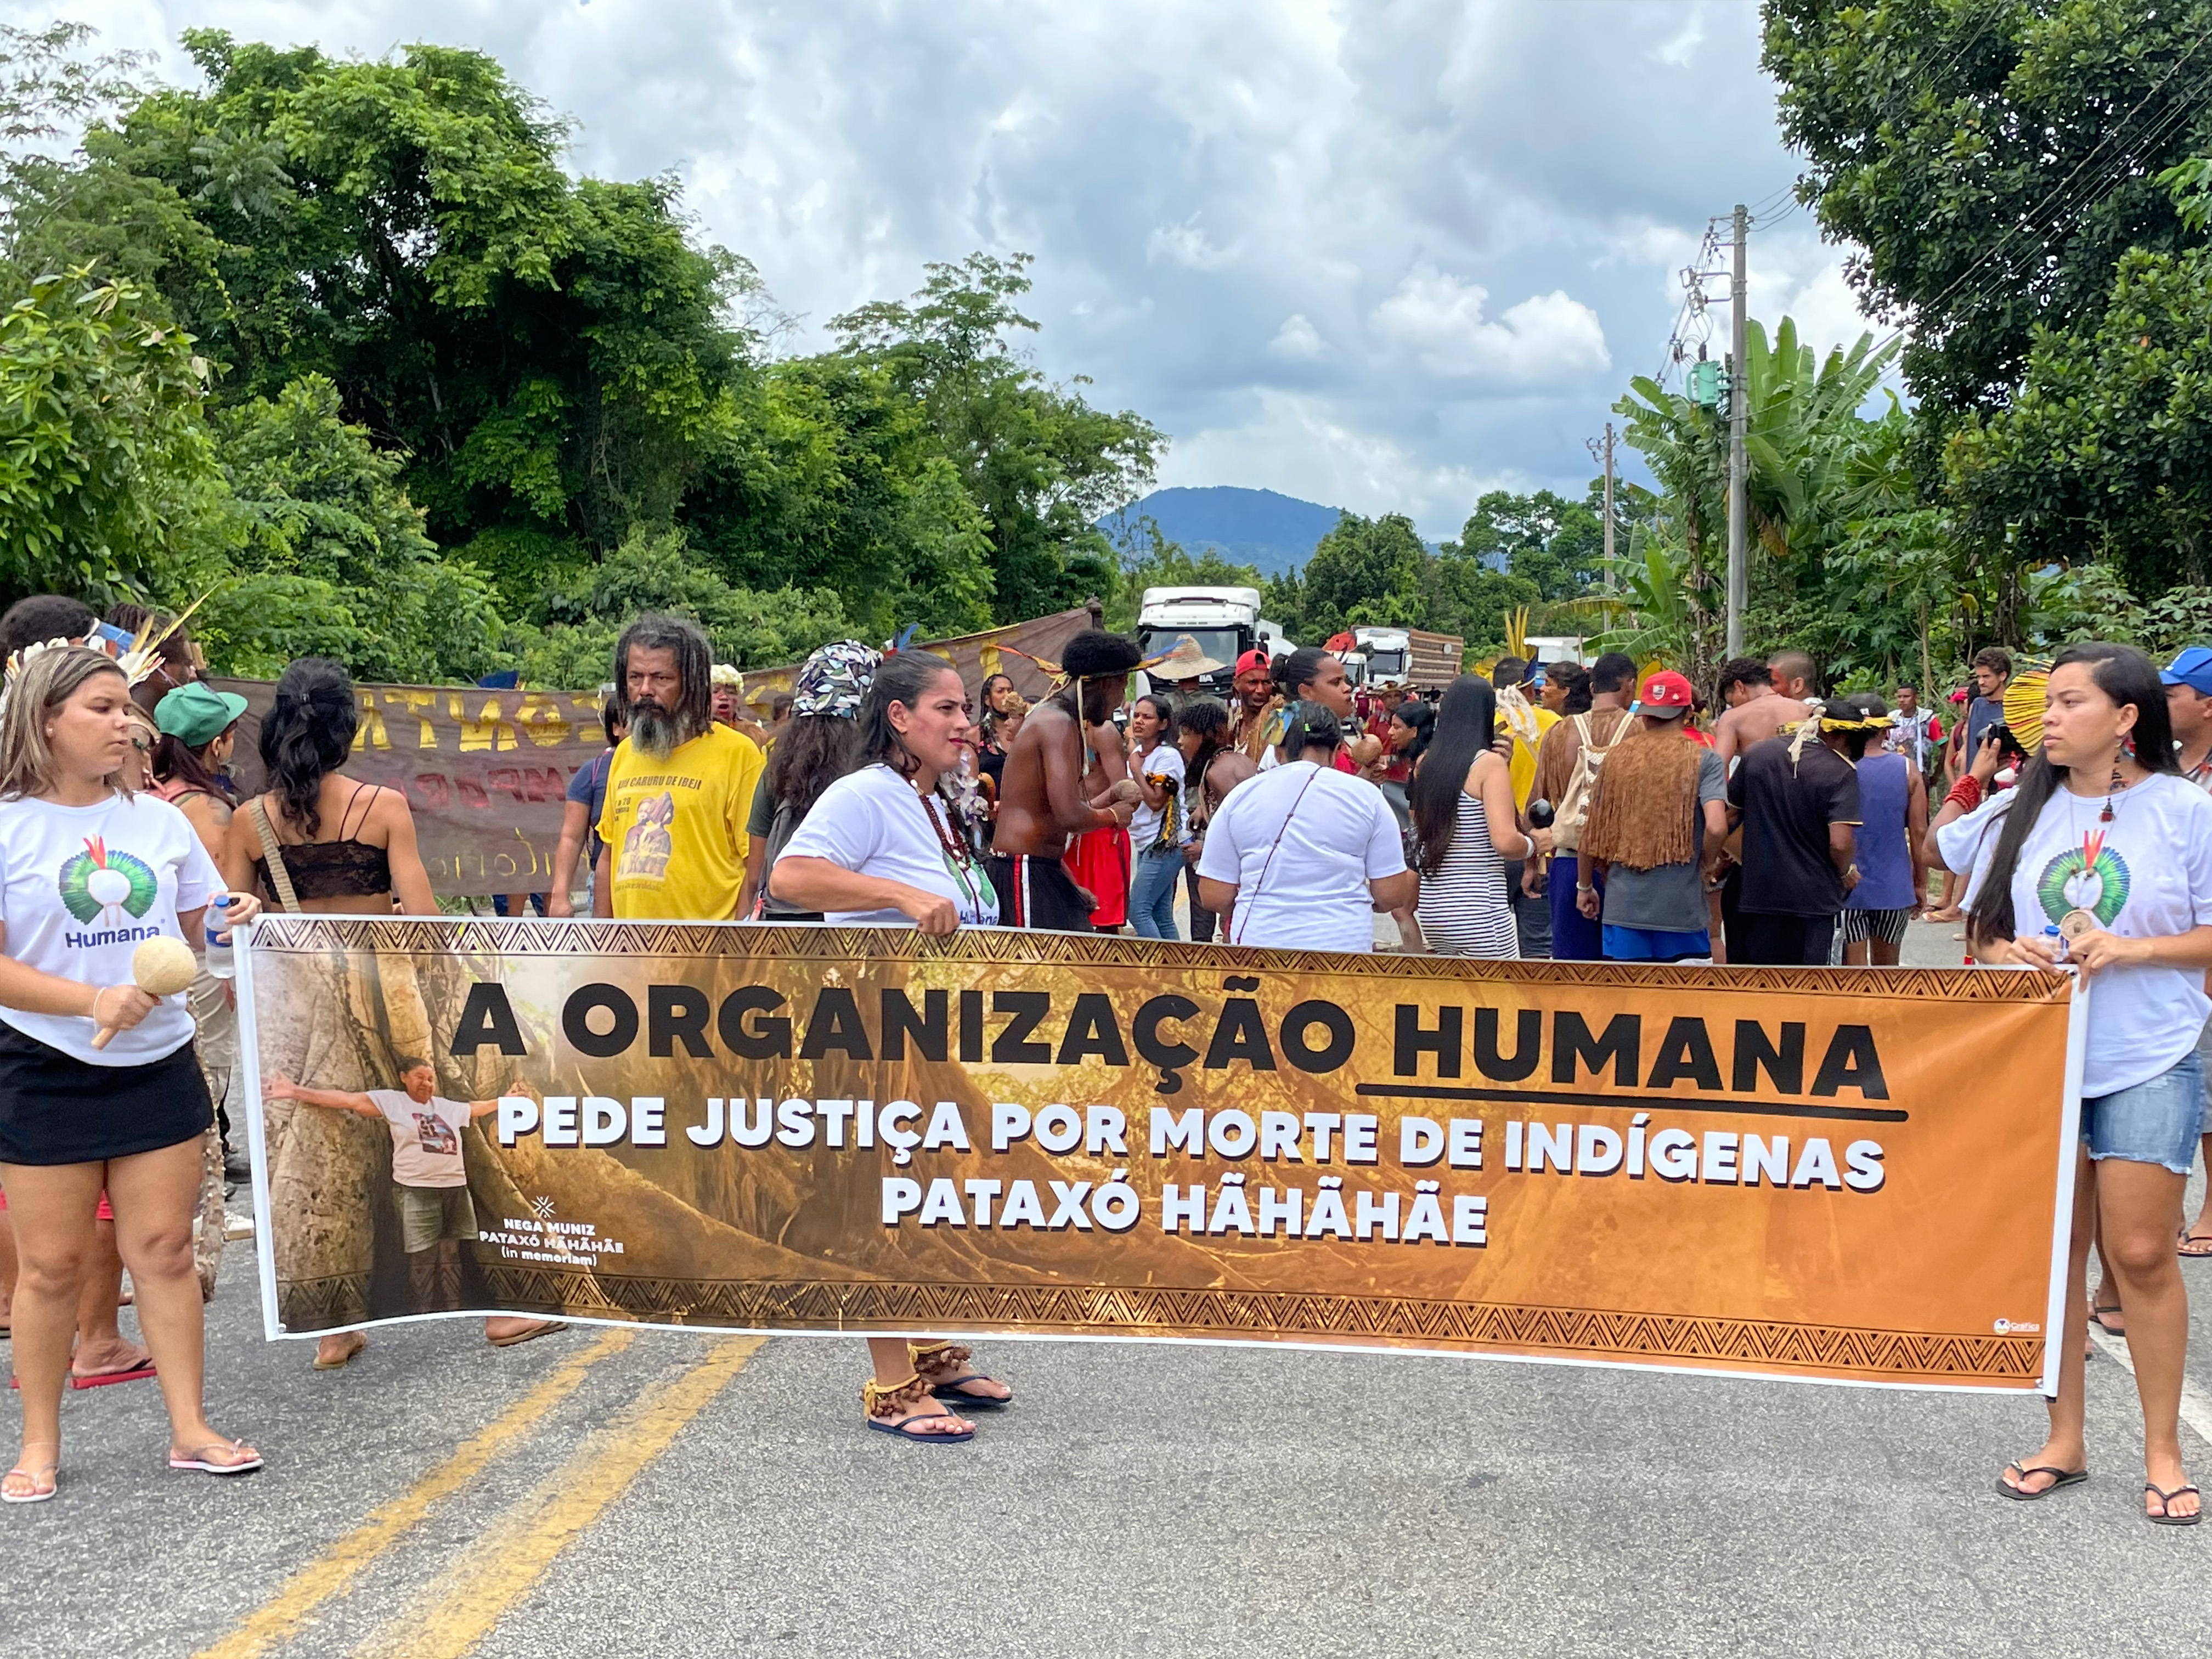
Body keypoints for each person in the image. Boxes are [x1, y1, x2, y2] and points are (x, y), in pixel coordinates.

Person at [1932, 644, 2208, 1523]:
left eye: (2068, 703)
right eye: (2046, 705)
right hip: (2045, 1051)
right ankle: (2066, 1439)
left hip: (2152, 1052)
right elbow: (1978, 930)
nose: (2046, 718)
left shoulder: (2184, 811)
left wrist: (2131, 950)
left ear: (2127, 719)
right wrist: (2000, 952)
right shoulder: (2021, 809)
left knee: (2139, 1255)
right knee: (2058, 1253)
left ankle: (2163, 1451)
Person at [222, 657, 559, 1363]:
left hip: (298, 1003)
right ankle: (499, 1310)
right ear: (347, 734)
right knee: (448, 1147)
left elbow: (235, 926)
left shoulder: (248, 823)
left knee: (322, 1148)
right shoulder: (382, 808)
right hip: (389, 995)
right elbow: (426, 925)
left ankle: (333, 1326)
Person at [0, 645, 266, 1503]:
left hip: (158, 1060)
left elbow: (200, 932)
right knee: (50, 1267)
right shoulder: (6, 827)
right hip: (43, 1067)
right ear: (47, 720)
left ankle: (191, 1428)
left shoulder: (159, 822)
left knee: (163, 1251)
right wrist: (89, 1001)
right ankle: (39, 1443)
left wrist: (232, 919)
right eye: (104, 709)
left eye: (127, 710)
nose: (127, 724)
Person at [768, 651, 1009, 1443]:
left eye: (964, 709)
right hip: (871, 1024)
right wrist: (900, 895)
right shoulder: (865, 792)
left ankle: (932, 1349)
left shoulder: (936, 802)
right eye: (946, 708)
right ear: (900, 718)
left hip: (935, 1028)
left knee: (931, 1186)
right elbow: (792, 879)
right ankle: (890, 1383)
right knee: (877, 1191)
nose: (964, 722)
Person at [262, 1062, 526, 1314]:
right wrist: (295, 1091)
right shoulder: (393, 1102)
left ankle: (452, 1307)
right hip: (417, 1192)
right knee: (422, 1255)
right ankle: (424, 1310)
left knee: (450, 1252)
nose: (427, 1083)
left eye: (431, 1078)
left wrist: (506, 1101)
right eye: (419, 1076)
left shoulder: (445, 1107)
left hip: (455, 1189)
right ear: (403, 1077)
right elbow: (346, 1100)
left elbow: (476, 1108)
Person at [151, 680, 253, 1277]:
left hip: (155, 963)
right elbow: (216, 907)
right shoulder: (210, 812)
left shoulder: (150, 800)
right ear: (217, 745)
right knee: (206, 1077)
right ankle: (194, 1207)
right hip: (199, 963)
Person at [1197, 702, 1413, 952]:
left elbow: (1214, 896)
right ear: (1334, 752)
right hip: (1343, 948)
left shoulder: (1240, 797)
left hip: (1260, 946)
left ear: (1278, 751)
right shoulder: (1368, 798)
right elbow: (1392, 895)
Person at [594, 617, 766, 922]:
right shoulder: (624, 754)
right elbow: (608, 858)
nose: (645, 690)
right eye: (635, 677)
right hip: (631, 956)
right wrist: (604, 947)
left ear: (693, 684)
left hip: (709, 958)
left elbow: (756, 868)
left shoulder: (739, 756)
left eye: (661, 678)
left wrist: (740, 950)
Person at [989, 631, 1139, 930]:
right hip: (1024, 873)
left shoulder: (1064, 721)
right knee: (1038, 975)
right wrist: (1113, 815)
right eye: (1121, 688)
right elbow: (1069, 816)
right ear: (1105, 684)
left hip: (1040, 870)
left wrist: (1066, 884)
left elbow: (1052, 819)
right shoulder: (1056, 723)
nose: (1120, 701)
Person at [1577, 670, 1728, 963]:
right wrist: (1704, 863)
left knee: (1628, 1005)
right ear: (1688, 713)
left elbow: (1591, 831)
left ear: (1644, 715)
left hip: (1623, 912)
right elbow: (1717, 826)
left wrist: (1585, 887)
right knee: (1685, 1004)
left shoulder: (1616, 759)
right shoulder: (1705, 759)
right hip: (1682, 912)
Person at [1725, 701, 1867, 965]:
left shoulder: (1757, 754)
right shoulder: (1840, 771)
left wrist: (1716, 861)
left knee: (1756, 987)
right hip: (1814, 902)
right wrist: (1846, 872)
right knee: (1808, 992)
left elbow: (1729, 817)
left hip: (1756, 896)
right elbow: (1840, 843)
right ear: (1841, 735)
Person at [746, 640, 879, 921]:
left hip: (781, 921)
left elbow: (754, 876)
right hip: (853, 921)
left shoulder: (778, 769)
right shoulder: (874, 772)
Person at [1409, 676, 1536, 958]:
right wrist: (1534, 844)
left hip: (1434, 910)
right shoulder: (1488, 765)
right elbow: (1504, 841)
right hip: (1479, 910)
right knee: (1499, 997)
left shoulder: (1425, 763)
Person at [1526, 653, 1638, 961]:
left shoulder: (1560, 733)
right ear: (1629, 685)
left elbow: (1537, 804)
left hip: (1569, 861)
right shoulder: (1639, 732)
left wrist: (1531, 864)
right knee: (1625, 975)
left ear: (1591, 689)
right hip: (1625, 867)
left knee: (1572, 974)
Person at [2160, 647, 2212, 1257]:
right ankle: (2167, 1203)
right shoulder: (2167, 768)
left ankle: (2207, 1212)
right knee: (2180, 1087)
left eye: (2172, 694)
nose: (2162, 703)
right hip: (2171, 953)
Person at [1840, 693, 1925, 966]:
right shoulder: (1908, 770)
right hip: (1894, 886)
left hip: (1846, 885)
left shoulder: (1838, 768)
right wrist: (1920, 883)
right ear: (1887, 730)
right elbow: (1919, 831)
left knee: (1852, 975)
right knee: (1887, 975)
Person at [1172, 697, 1254, 944]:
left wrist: (1204, 849)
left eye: (1186, 734)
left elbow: (1245, 829)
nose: (1180, 742)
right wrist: (1201, 809)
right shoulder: (1240, 760)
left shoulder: (1216, 773)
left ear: (1206, 736)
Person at [1491, 657, 1557, 958]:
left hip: (1492, 845)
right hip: (1541, 845)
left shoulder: (1484, 726)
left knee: (1488, 945)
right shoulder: (1555, 725)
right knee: (1538, 944)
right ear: (1530, 688)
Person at [548, 693, 623, 918]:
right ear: (616, 728)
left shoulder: (670, 769)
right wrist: (559, 896)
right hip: (605, 886)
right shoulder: (594, 772)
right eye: (633, 720)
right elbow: (571, 837)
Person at [1124, 694, 1187, 940]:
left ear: (1163, 724)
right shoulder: (1138, 753)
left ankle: (1159, 970)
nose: (1139, 721)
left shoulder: (1167, 757)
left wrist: (1137, 770)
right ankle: (1175, 972)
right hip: (1146, 842)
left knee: (1138, 911)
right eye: (1136, 716)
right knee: (1161, 916)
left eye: (1147, 717)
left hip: (1164, 843)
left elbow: (1156, 801)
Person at [1260, 648, 1361, 772]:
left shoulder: (1317, 731)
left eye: (1345, 680)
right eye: (1336, 682)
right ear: (1306, 692)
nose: (1348, 688)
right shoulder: (1298, 738)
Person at [1946, 647, 2013, 782]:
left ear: (2002, 676)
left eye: (1986, 676)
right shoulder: (1976, 705)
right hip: (1974, 785)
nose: (1981, 682)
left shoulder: (2015, 707)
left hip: (2003, 785)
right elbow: (1970, 750)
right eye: (1979, 677)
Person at [1227, 649, 1284, 765]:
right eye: (1253, 682)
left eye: (1266, 683)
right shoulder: (1234, 722)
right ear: (1237, 684)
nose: (1260, 690)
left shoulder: (1278, 722)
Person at [709, 663, 771, 749]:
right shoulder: (692, 733)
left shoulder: (756, 733)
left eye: (731, 692)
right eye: (715, 691)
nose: (724, 697)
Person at [1889, 682, 1943, 776]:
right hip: (1894, 773)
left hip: (1920, 774)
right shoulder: (1891, 719)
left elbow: (1944, 746)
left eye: (1906, 697)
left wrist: (1937, 775)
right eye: (1899, 697)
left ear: (1916, 698)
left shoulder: (1927, 719)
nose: (1902, 700)